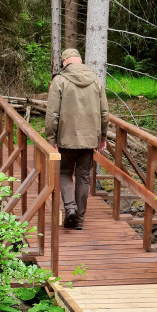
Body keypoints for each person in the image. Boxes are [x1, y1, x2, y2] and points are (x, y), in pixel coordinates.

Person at [45, 48, 109, 230]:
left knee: (64, 173)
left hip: (65, 139)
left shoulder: (59, 80)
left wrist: (51, 139)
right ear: (79, 61)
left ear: (65, 61)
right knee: (83, 177)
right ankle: (79, 219)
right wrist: (102, 137)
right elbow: (104, 113)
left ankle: (70, 208)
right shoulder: (95, 80)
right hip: (89, 140)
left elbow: (52, 114)